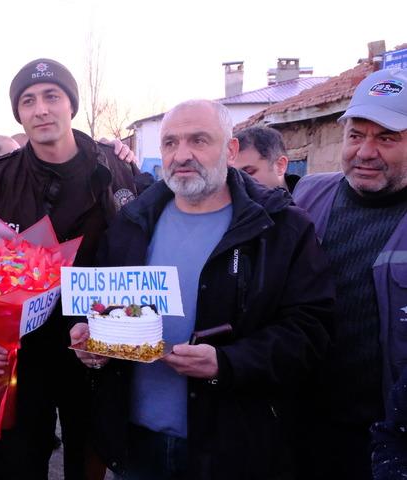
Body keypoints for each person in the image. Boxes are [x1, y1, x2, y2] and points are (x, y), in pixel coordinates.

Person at [72, 99, 333, 479]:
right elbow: (107, 308)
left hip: (235, 448)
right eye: (170, 143)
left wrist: (226, 364)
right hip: (137, 445)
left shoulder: (280, 227)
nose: (182, 155)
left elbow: (312, 329)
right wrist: (94, 340)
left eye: (198, 140)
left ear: (230, 150)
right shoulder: (131, 224)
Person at [0, 58, 142, 480]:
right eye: (28, 101)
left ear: (72, 106)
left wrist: (120, 334)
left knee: (90, 456)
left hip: (97, 342)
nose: (41, 109)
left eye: (52, 97)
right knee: (18, 461)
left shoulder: (118, 169)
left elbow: (141, 254)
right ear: (19, 114)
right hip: (24, 348)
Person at [292, 67, 407, 479]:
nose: (365, 151)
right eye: (356, 135)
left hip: (385, 442)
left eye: (387, 137)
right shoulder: (308, 195)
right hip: (299, 426)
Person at [233, 126, 300, 192]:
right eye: (233, 176)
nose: (239, 184)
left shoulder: (308, 198)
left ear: (280, 166)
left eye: (248, 173)